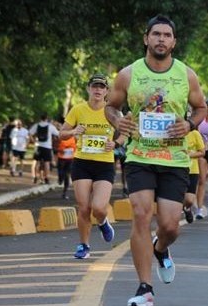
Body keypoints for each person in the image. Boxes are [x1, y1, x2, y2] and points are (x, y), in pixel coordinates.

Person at [104, 15, 207, 306]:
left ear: (174, 41)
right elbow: (112, 107)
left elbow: (199, 108)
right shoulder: (128, 74)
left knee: (171, 225)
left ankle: (161, 249)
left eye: (166, 35)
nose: (161, 39)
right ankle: (144, 287)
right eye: (156, 34)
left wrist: (189, 125)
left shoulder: (186, 75)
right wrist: (118, 121)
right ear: (146, 38)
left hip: (175, 158)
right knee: (140, 214)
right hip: (139, 155)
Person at [61, 74, 118, 259]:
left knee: (99, 207)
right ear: (88, 89)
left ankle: (102, 222)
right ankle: (83, 245)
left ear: (107, 91)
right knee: (84, 207)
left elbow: (126, 132)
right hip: (82, 163)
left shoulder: (112, 112)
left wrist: (116, 144)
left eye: (102, 87)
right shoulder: (78, 110)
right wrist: (73, 131)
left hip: (104, 164)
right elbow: (62, 134)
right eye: (95, 86)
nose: (98, 90)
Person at [184, 122, 205, 223]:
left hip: (192, 170)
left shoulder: (195, 134)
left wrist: (189, 154)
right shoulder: (173, 133)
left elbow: (202, 152)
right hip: (176, 169)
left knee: (189, 200)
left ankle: (187, 208)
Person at [30, 113, 59, 184]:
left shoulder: (36, 125)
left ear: (40, 118)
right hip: (47, 147)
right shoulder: (50, 126)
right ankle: (46, 178)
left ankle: (35, 177)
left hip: (38, 146)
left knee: (36, 162)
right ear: (47, 118)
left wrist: (34, 141)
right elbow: (58, 134)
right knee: (47, 163)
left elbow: (30, 133)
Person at [56, 127, 75, 200]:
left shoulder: (75, 137)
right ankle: (60, 179)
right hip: (61, 158)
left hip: (70, 159)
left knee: (67, 175)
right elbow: (55, 146)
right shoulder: (60, 138)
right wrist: (60, 150)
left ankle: (65, 192)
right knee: (61, 173)